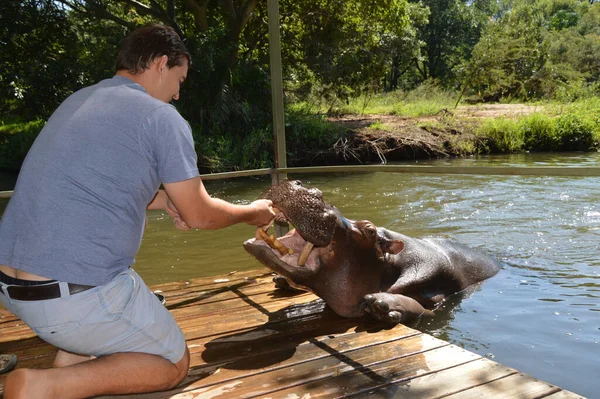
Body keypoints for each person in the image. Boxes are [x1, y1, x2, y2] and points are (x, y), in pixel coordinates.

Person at [0, 23, 275, 398]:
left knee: (102, 294)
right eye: (180, 79)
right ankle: (42, 386)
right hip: (69, 299)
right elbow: (202, 215)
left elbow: (87, 184)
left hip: (12, 287)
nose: (178, 94)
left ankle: (72, 355)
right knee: (173, 364)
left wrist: (163, 200)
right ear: (161, 63)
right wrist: (253, 211)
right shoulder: (160, 118)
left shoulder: (81, 99)